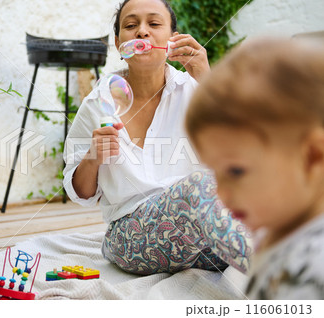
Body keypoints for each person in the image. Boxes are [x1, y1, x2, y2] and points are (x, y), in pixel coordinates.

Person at [63, 0, 252, 275]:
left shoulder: (197, 89)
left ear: (172, 39)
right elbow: (80, 192)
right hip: (130, 238)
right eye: (131, 25)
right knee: (201, 184)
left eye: (153, 24)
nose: (142, 32)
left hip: (199, 239)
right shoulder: (97, 104)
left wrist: (207, 79)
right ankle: (280, 280)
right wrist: (93, 158)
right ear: (118, 43)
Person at [185, 37, 324, 299]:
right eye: (214, 172)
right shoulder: (275, 228)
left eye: (236, 171)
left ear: (313, 157)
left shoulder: (312, 267)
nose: (221, 194)